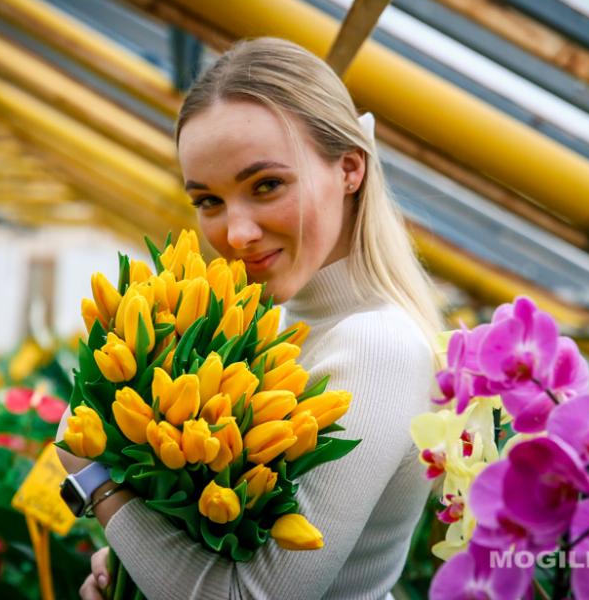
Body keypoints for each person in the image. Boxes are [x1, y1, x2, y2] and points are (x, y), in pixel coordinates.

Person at [58, 36, 443, 600]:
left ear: (349, 169)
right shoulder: (269, 328)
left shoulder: (377, 345)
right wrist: (137, 565)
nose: (236, 234)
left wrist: (94, 479)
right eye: (208, 201)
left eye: (266, 185)